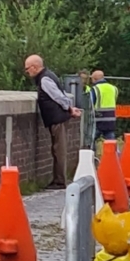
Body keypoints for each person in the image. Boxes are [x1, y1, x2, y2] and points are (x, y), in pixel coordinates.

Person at [24, 55, 81, 189]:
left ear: (35, 67)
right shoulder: (48, 75)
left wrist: (69, 109)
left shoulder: (44, 79)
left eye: (28, 69)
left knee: (58, 149)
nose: (27, 72)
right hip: (57, 117)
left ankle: (60, 181)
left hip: (57, 118)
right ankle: (58, 179)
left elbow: (58, 96)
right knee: (57, 148)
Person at [90, 69, 118, 144]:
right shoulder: (114, 88)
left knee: (90, 141)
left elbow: (90, 104)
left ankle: (92, 155)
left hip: (98, 120)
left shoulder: (95, 89)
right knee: (111, 143)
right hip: (111, 120)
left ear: (94, 79)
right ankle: (116, 155)